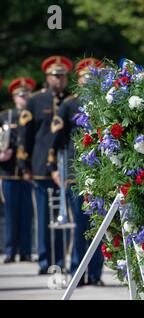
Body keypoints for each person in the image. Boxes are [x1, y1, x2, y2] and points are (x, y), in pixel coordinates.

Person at [48, 58, 105, 285]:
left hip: (102, 174)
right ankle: (78, 273)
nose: (90, 81)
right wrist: (53, 168)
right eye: (86, 78)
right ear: (79, 81)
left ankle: (96, 274)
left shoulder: (106, 103)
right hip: (76, 173)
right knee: (81, 226)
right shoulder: (70, 105)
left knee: (99, 226)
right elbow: (56, 141)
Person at [17, 55, 72, 274]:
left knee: (63, 218)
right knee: (43, 217)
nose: (58, 79)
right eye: (55, 75)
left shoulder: (72, 100)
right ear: (47, 77)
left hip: (66, 167)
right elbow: (25, 135)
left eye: (62, 76)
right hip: (40, 167)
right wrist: (24, 165)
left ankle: (60, 260)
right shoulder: (35, 101)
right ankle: (44, 260)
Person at [1, 78, 36, 263]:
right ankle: (9, 250)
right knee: (10, 214)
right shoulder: (5, 116)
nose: (23, 98)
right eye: (20, 95)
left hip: (28, 172)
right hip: (8, 172)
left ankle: (26, 251)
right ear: (14, 97)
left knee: (27, 214)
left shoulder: (33, 115)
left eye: (26, 94)